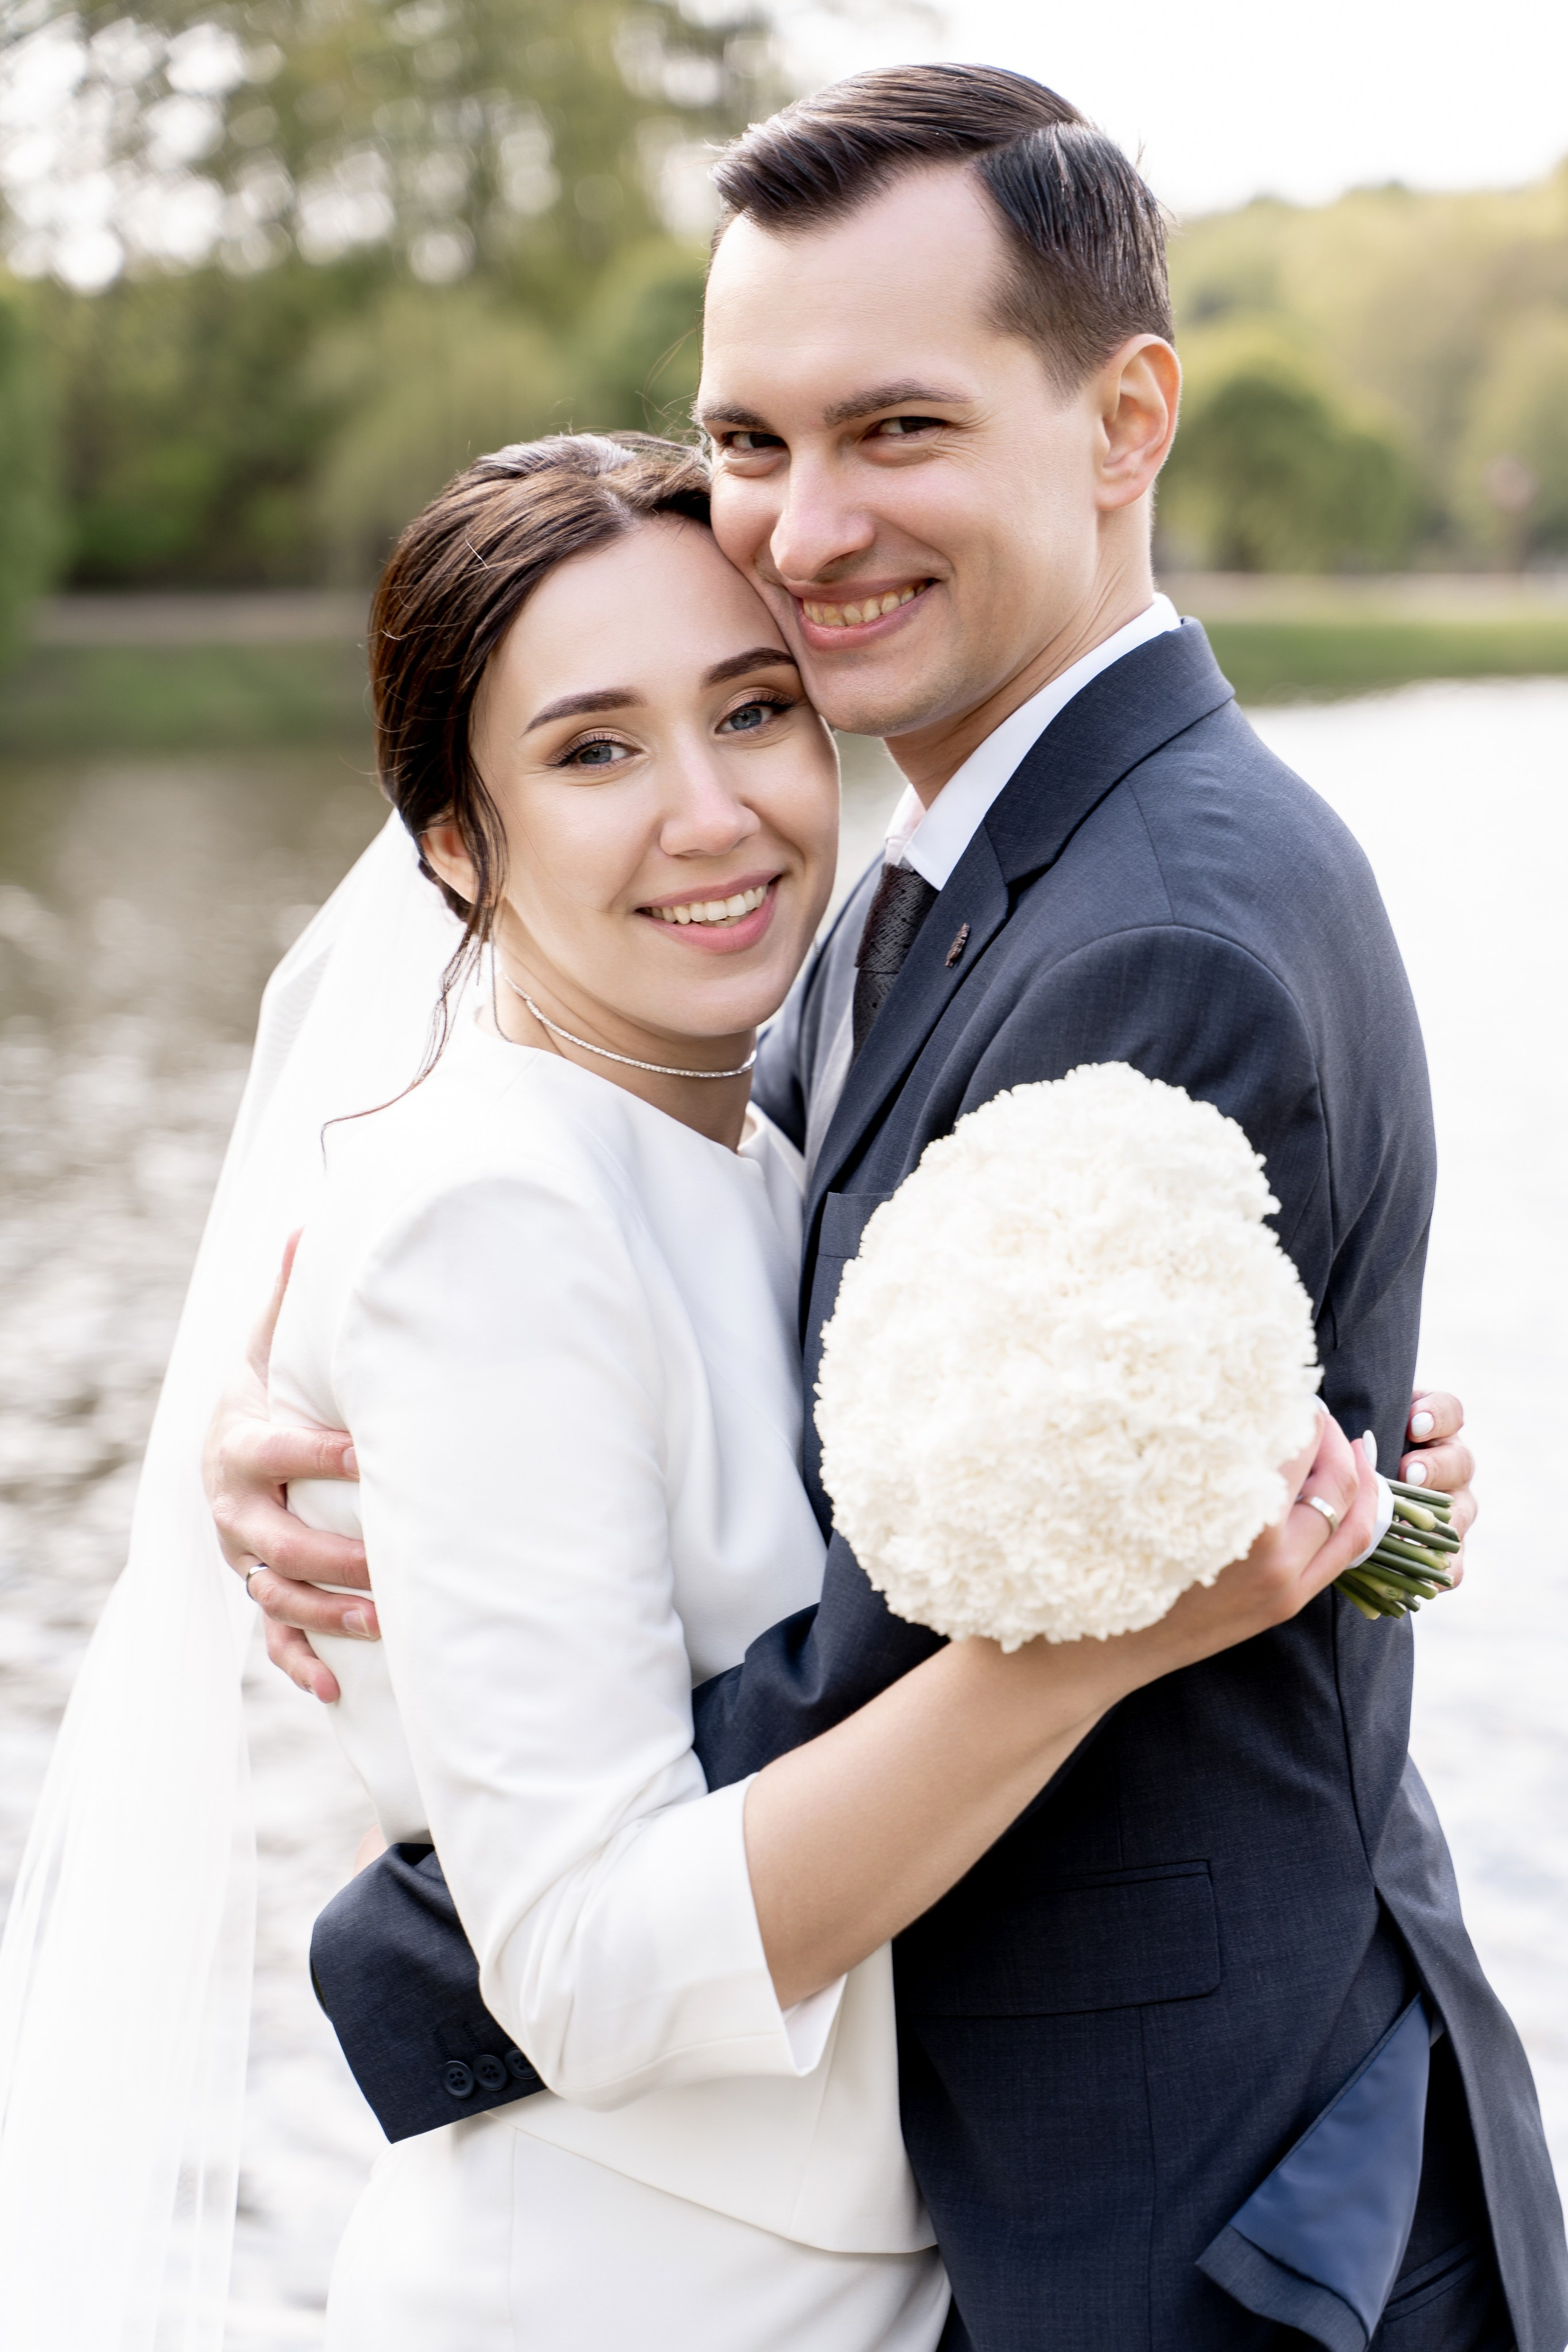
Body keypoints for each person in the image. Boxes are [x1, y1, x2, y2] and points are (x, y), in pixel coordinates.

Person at [206, 66, 1568, 2352]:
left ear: (1127, 414)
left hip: (1190, 2228)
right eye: (751, 440)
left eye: (899, 430)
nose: (805, 526)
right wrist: (353, 1455)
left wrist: (431, 1898)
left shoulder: (1146, 936)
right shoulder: (917, 907)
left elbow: (907, 1649)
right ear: (464, 839)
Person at [257, 428, 1381, 2350]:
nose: (713, 813)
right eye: (595, 751)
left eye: (754, 711)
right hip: (617, 2285)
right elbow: (588, 1966)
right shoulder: (490, 1216)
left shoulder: (764, 1139)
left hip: (836, 2271)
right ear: (456, 843)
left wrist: (1305, 1462)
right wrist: (1101, 1640)